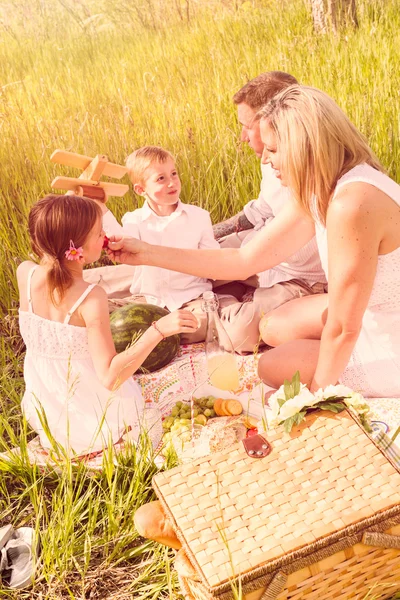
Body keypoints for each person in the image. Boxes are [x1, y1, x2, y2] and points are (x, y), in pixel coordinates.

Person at [106, 85, 400, 398]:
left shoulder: (351, 204)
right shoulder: (322, 187)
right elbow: (244, 260)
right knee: (273, 328)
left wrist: (315, 399)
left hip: (388, 344)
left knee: (271, 368)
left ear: (304, 146)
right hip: (370, 310)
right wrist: (146, 253)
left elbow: (343, 328)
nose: (266, 160)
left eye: (273, 150)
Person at [17, 194, 199, 456]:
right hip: (92, 422)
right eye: (97, 233)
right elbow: (111, 378)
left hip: (49, 415)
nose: (104, 236)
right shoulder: (90, 297)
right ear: (75, 247)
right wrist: (159, 329)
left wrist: (73, 205)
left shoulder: (25, 272)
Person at [212, 72, 327, 353]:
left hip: (301, 279)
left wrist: (236, 265)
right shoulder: (269, 158)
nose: (242, 137)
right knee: (190, 264)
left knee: (236, 334)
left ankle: (225, 297)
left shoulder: (314, 180)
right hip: (261, 254)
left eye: (246, 126)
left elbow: (255, 256)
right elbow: (260, 210)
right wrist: (212, 233)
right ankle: (232, 292)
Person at [98, 145, 237, 343]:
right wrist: (100, 208)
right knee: (102, 312)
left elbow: (213, 261)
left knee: (204, 321)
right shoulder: (134, 219)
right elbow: (120, 242)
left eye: (174, 174)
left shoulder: (198, 217)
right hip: (148, 300)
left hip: (191, 299)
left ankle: (154, 333)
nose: (172, 183)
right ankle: (157, 330)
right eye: (161, 178)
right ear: (140, 189)